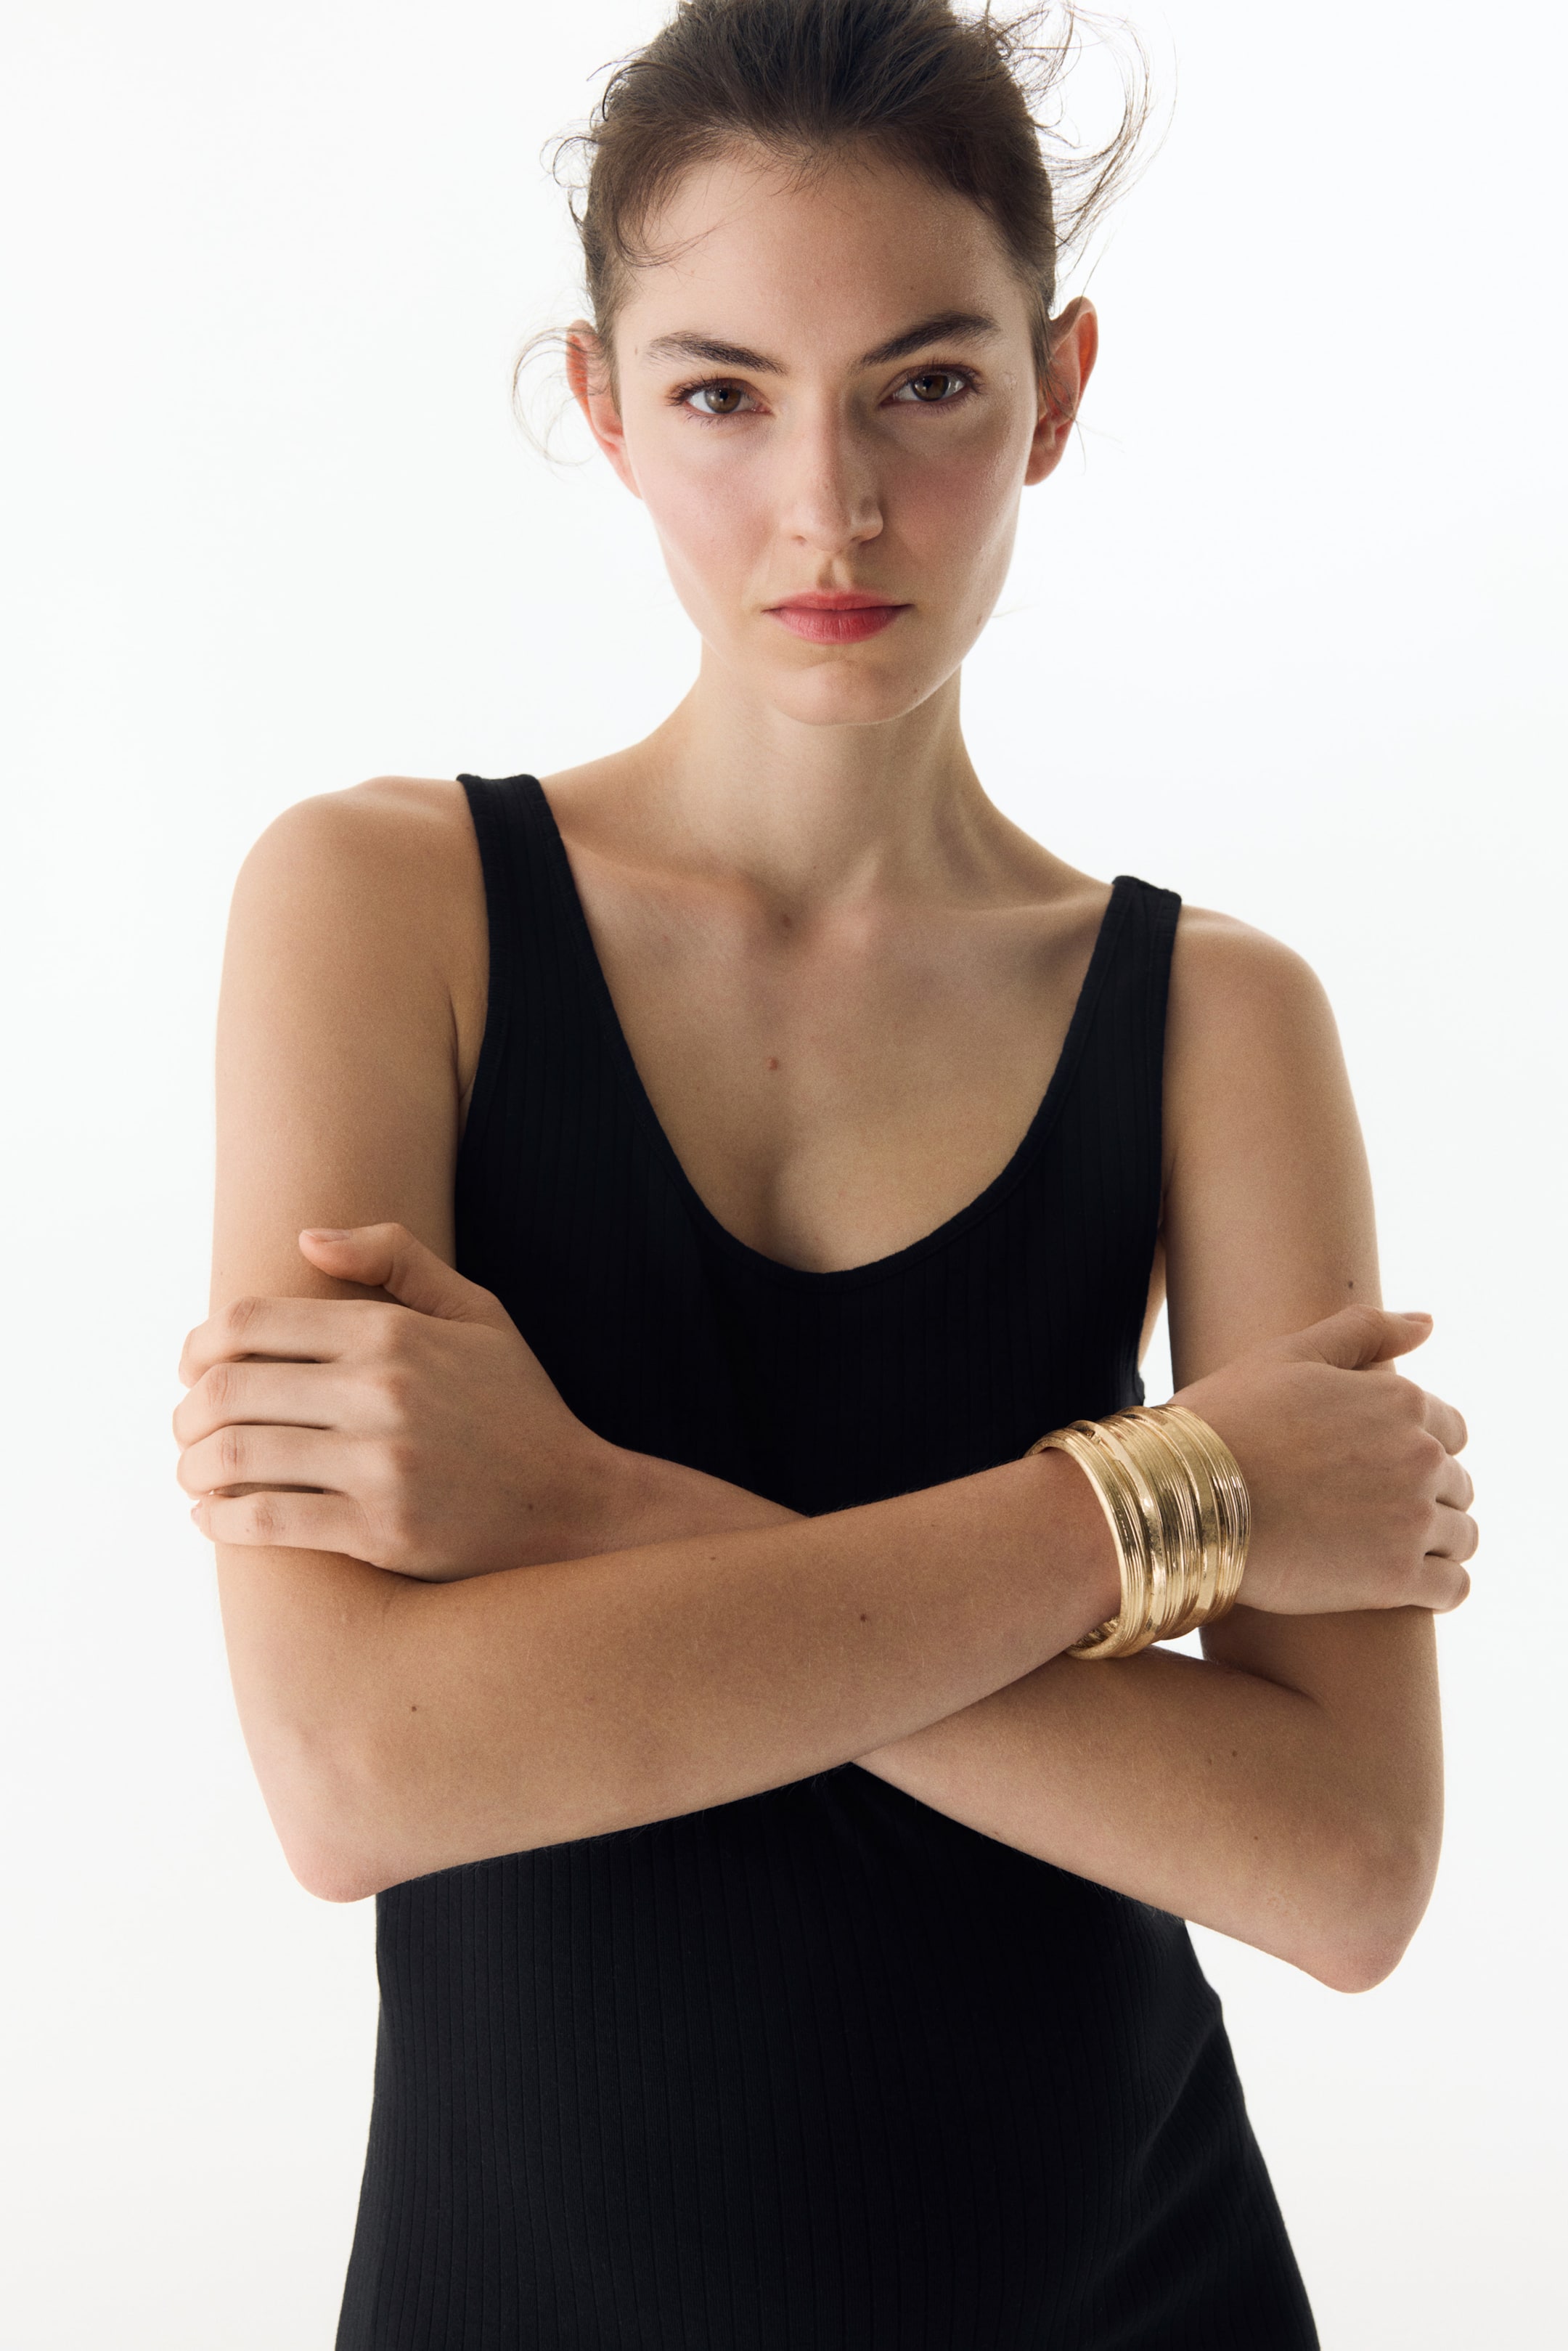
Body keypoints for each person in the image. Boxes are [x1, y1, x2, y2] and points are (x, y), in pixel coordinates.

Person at [173, 3, 1477, 2343]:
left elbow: (1346, 1867)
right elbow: (359, 1771)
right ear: (603, 406)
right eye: (723, 394)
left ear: (1056, 388)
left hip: (1135, 2286)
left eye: (926, 386)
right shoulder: (384, 910)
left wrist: (583, 1511)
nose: (832, 505)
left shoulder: (1217, 1017)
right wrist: (1165, 1507)